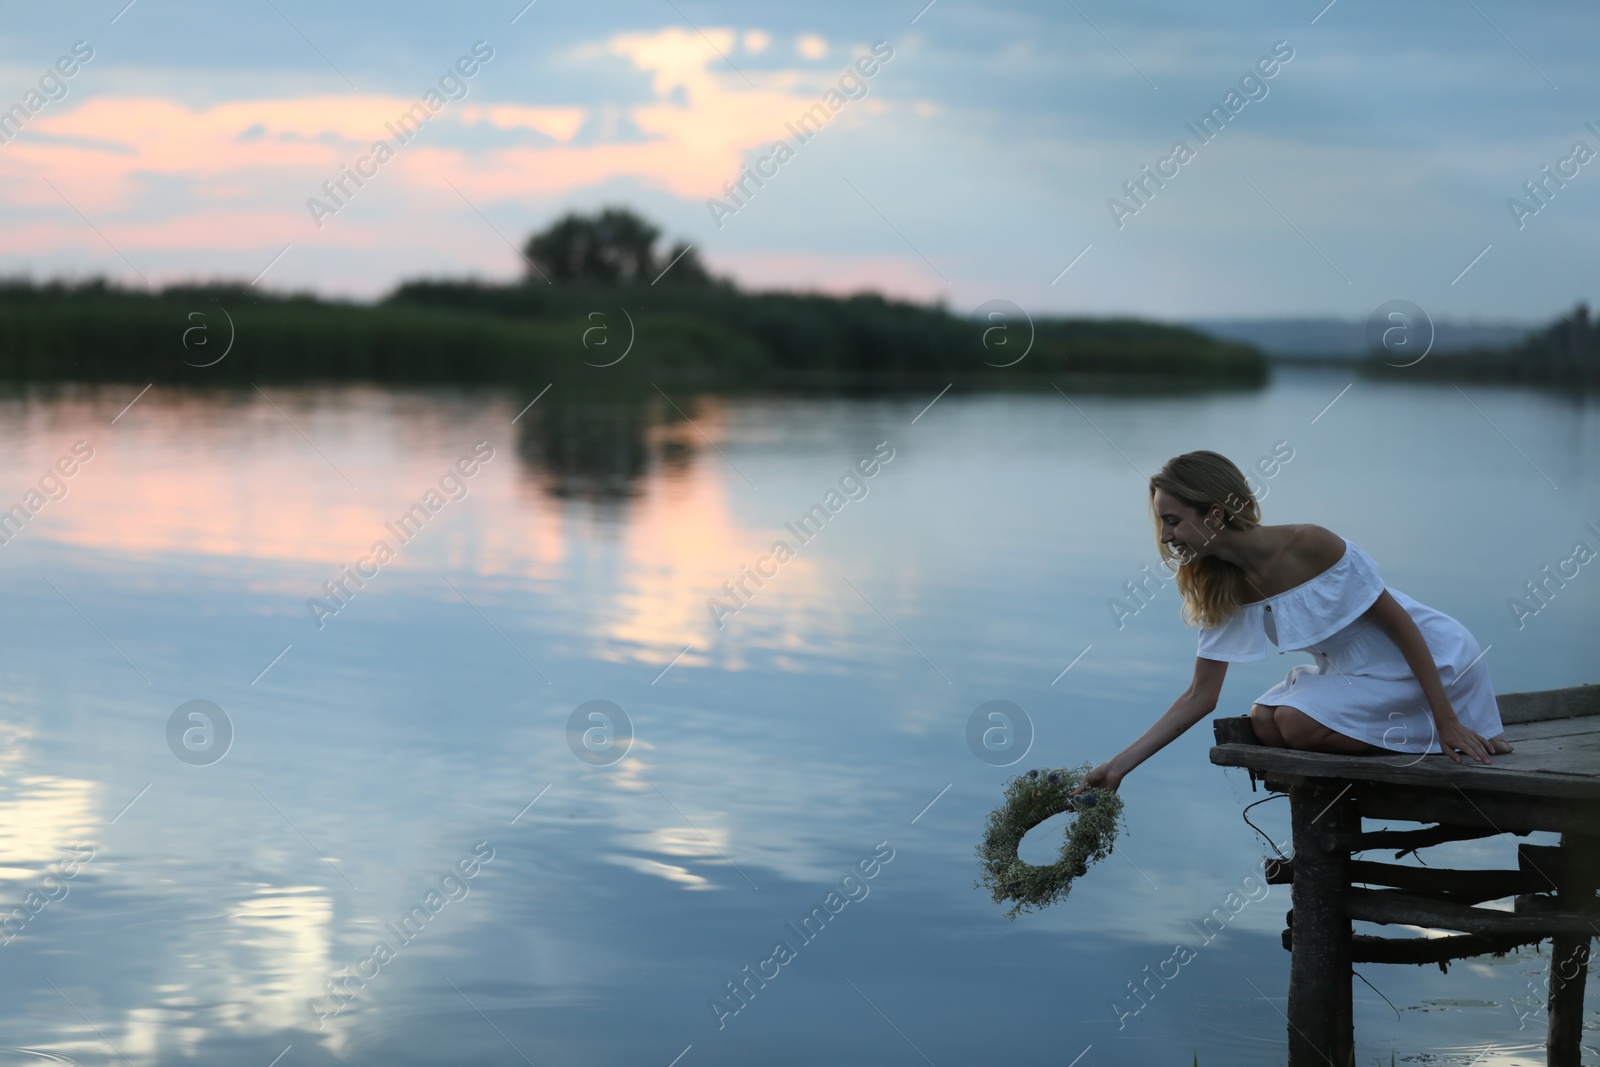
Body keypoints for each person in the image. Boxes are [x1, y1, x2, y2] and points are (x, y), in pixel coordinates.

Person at [1077, 450, 1511, 795]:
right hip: (1357, 674)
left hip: (1432, 659)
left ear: (1213, 514)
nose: (1166, 537)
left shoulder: (1311, 544)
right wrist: (1119, 766)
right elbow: (1199, 695)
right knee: (1265, 720)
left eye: (1173, 521)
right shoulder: (1222, 585)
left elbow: (1401, 627)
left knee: (1294, 723)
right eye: (1162, 523)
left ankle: (1433, 731)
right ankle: (1409, 731)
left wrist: (1448, 718)